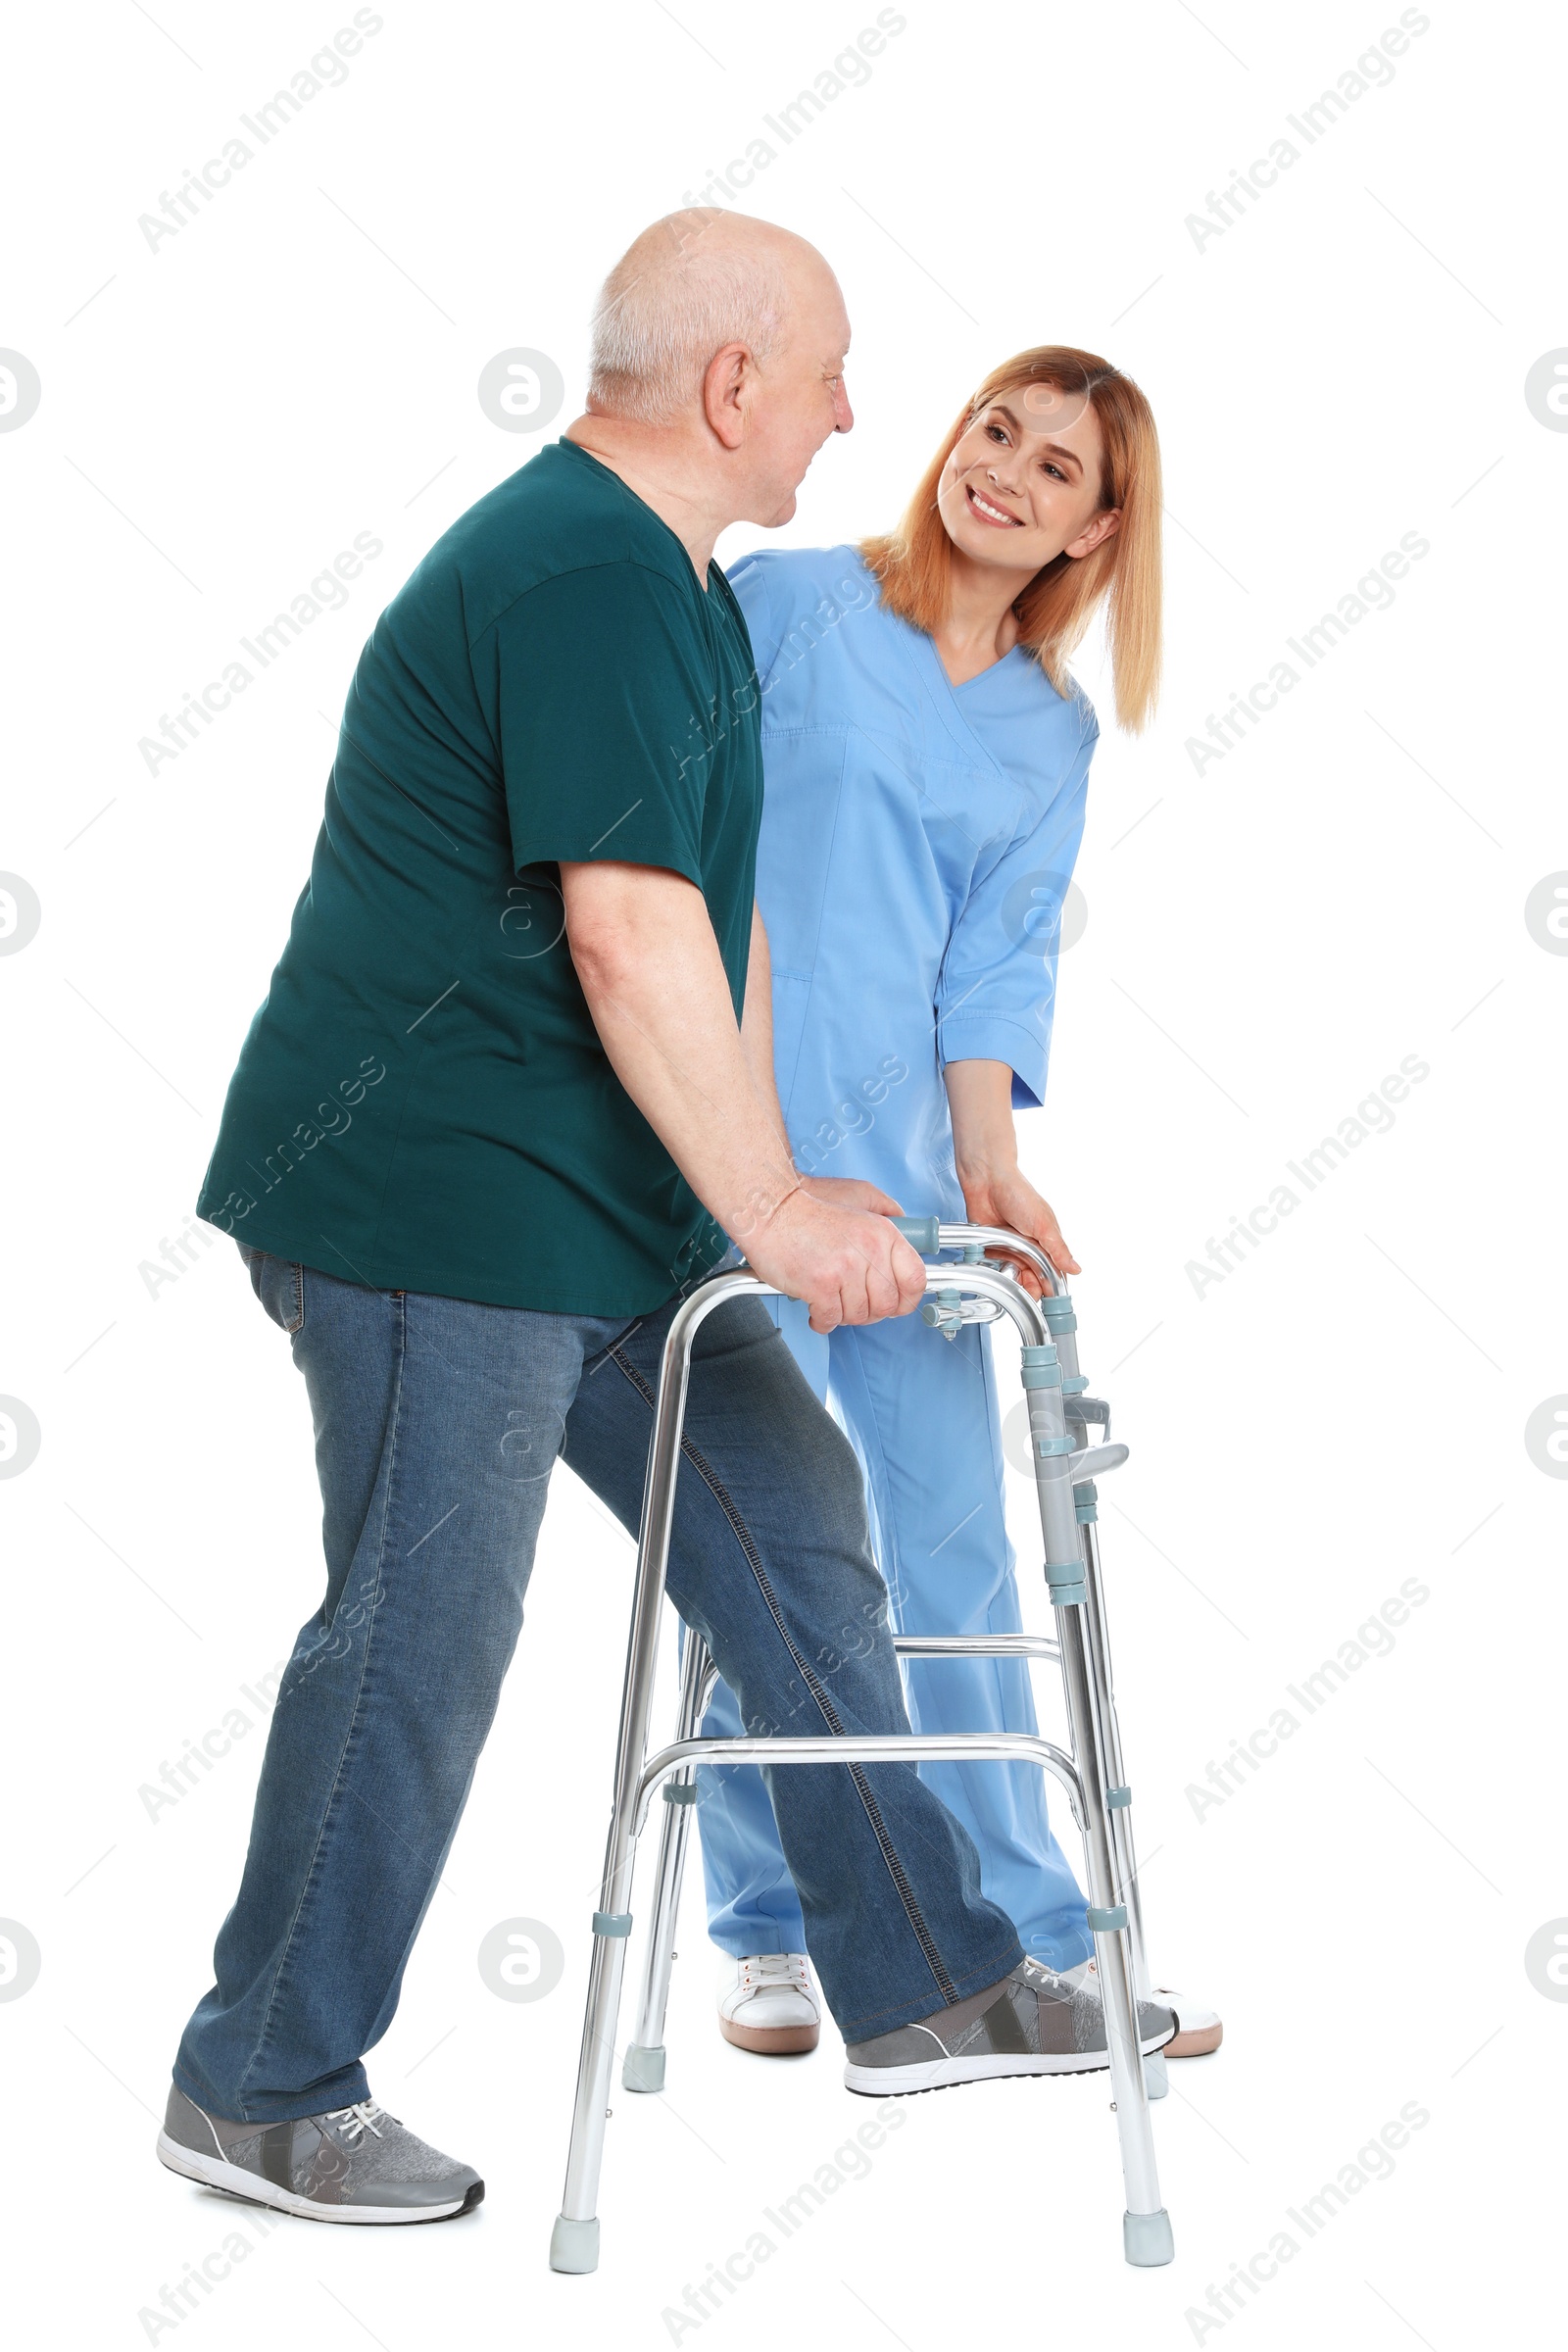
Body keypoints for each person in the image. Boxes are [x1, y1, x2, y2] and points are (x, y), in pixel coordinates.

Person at [155, 214, 1175, 2229]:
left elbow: (735, 920)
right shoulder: (591, 586)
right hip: (433, 1201)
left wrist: (794, 1200)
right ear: (732, 388)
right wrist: (780, 1211)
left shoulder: (679, 594)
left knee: (795, 1530)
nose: (849, 414)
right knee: (423, 1627)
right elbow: (628, 945)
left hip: (596, 1207)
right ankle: (260, 2079)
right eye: (826, 373)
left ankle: (929, 1974)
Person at [697, 349, 1223, 2067]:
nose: (1005, 472)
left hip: (904, 1191)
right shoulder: (785, 602)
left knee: (950, 1553)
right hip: (734, 1164)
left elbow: (994, 963)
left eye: (1055, 468)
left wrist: (989, 1171)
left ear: (1097, 527)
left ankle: (1034, 1937)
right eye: (999, 431)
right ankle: (766, 1928)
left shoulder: (1050, 733)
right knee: (767, 1549)